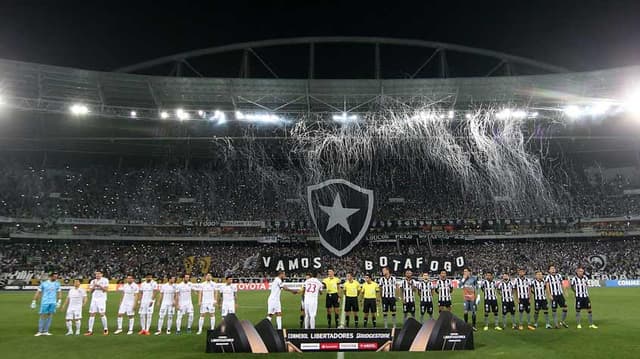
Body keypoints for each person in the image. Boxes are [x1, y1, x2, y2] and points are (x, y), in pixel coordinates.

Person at [32, 272, 61, 336]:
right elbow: (38, 292)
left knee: (50, 316)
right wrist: (34, 301)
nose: (56, 278)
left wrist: (59, 301)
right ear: (51, 276)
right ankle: (40, 331)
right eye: (55, 276)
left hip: (53, 302)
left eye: (57, 276)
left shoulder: (57, 284)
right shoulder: (44, 284)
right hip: (45, 302)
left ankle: (46, 331)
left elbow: (59, 292)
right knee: (42, 315)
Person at [85, 271, 109, 336]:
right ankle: (90, 331)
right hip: (94, 299)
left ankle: (105, 329)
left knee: (102, 314)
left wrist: (99, 286)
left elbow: (106, 290)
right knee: (92, 314)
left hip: (101, 299)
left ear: (101, 274)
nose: (97, 275)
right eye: (96, 274)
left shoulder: (105, 280)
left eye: (99, 274)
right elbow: (90, 291)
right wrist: (94, 287)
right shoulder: (93, 281)